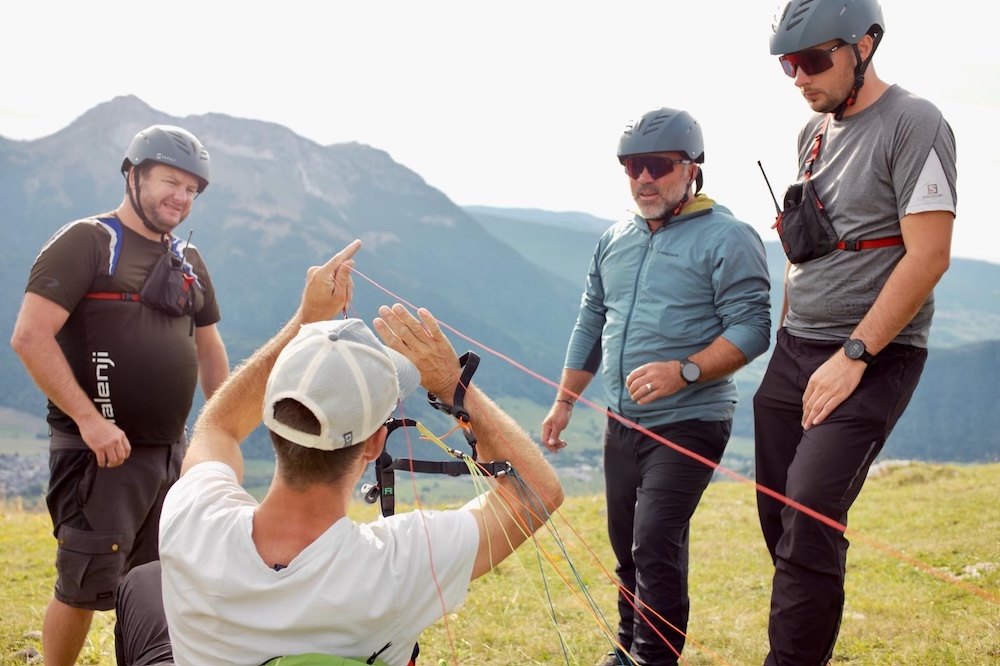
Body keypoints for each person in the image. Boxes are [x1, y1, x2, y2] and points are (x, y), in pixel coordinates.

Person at [112, 239, 564, 665]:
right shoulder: (401, 565)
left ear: (270, 418)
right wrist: (453, 387)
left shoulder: (192, 518)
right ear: (373, 443)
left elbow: (218, 425)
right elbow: (536, 493)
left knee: (143, 583)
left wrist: (305, 322)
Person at [755, 1, 957, 664]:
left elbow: (929, 255)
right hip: (796, 350)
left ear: (865, 44)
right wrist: (785, 346)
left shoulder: (915, 122)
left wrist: (853, 355)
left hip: (872, 353)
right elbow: (806, 254)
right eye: (789, 63)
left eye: (814, 60)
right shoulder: (811, 133)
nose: (799, 77)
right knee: (780, 518)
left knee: (809, 515)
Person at [542, 108, 771, 666]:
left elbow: (753, 327)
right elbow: (591, 321)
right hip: (622, 424)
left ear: (692, 169)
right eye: (630, 166)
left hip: (693, 420)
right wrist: (564, 401)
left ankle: (653, 659)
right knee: (628, 549)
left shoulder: (729, 236)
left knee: (654, 544)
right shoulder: (615, 237)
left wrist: (684, 370)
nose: (642, 178)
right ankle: (629, 650)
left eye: (657, 165)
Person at [10, 124, 230, 666]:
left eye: (191, 190)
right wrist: (90, 421)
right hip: (99, 453)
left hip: (170, 455)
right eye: (169, 182)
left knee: (157, 582)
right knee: (82, 582)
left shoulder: (188, 259)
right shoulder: (87, 241)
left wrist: (218, 429)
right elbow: (30, 337)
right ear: (133, 176)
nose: (180, 197)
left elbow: (210, 350)